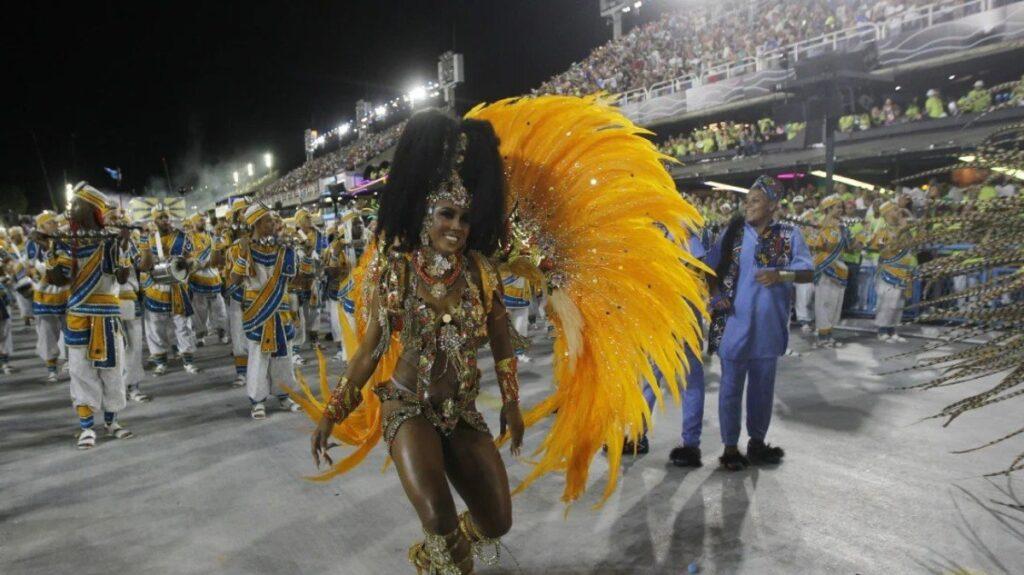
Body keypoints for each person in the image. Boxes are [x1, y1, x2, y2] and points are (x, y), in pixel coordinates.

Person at [311, 111, 524, 573]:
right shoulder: (399, 270)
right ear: (426, 215)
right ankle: (443, 555)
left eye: (466, 217)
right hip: (408, 407)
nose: (458, 226)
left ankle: (435, 559)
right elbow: (369, 350)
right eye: (447, 214)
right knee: (439, 518)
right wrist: (332, 413)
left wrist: (512, 403)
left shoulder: (481, 273)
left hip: (462, 411)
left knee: (498, 520)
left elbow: (503, 341)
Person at [706, 175, 813, 470]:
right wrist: (715, 298)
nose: (748, 206)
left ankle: (757, 443)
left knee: (762, 390)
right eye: (746, 200)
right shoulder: (733, 233)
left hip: (769, 328)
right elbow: (709, 269)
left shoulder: (789, 235)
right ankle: (730, 448)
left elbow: (806, 273)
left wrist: (782, 275)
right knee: (730, 389)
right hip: (734, 327)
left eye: (755, 200)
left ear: (772, 205)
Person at [46, 184, 135, 449]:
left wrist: (123, 245)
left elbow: (122, 276)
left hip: (107, 314)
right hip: (78, 313)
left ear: (92, 210)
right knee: (81, 371)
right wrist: (51, 254)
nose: (72, 210)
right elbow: (57, 280)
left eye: (77, 205)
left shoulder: (110, 239)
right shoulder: (65, 240)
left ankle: (112, 421)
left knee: (112, 371)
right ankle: (86, 428)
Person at [229, 203, 304, 419]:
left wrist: (293, 251)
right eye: (269, 221)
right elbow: (233, 281)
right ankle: (257, 401)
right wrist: (243, 253)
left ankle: (284, 395)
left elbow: (294, 280)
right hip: (258, 309)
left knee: (284, 355)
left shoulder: (282, 247)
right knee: (259, 356)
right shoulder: (243, 247)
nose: (274, 224)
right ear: (257, 223)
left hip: (280, 309)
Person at [139, 206, 199, 375]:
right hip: (155, 289)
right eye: (161, 218)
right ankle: (160, 361)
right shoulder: (148, 239)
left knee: (183, 325)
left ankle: (188, 360)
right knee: (155, 327)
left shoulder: (182, 237)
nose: (165, 220)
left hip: (178, 288)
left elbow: (192, 259)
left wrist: (188, 265)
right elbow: (143, 266)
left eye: (167, 217)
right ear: (154, 221)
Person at [109, 209, 149, 402]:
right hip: (107, 303)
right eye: (114, 220)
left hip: (129, 299)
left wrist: (146, 242)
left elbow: (144, 266)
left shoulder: (131, 244)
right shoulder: (104, 245)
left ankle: (133, 386)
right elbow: (119, 276)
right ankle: (115, 389)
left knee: (134, 345)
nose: (119, 224)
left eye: (121, 221)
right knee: (114, 347)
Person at [806, 194, 855, 348]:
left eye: (841, 207)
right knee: (824, 302)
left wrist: (858, 240)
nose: (841, 210)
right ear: (828, 209)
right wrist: (822, 246)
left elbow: (849, 248)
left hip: (839, 268)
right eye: (837, 207)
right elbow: (811, 245)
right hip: (824, 267)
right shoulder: (820, 225)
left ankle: (829, 335)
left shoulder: (842, 227)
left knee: (835, 303)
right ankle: (822, 337)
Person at [29, 211, 68, 382]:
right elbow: (31, 266)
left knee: (72, 330)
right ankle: (52, 368)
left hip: (66, 292)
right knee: (47, 333)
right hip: (44, 295)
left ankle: (71, 362)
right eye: (50, 223)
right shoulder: (34, 244)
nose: (55, 225)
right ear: (42, 226)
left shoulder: (63, 240)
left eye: (55, 222)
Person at [869, 201, 916, 342]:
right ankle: (882, 330)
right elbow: (883, 250)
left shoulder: (903, 229)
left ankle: (893, 330)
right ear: (887, 213)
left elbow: (912, 246)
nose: (899, 212)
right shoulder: (883, 231)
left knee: (899, 303)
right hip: (888, 272)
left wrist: (905, 230)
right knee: (887, 302)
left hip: (903, 270)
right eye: (895, 210)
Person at [186, 213, 228, 346]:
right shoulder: (188, 238)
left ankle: (222, 333)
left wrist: (211, 262)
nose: (203, 223)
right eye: (200, 221)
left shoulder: (212, 236)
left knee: (219, 308)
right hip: (197, 278)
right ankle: (200, 336)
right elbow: (185, 256)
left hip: (214, 278)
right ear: (193, 222)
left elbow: (222, 253)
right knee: (200, 310)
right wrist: (194, 263)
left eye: (204, 220)